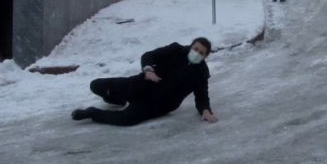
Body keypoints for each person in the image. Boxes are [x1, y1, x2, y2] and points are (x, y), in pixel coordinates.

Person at [71, 38, 218, 126]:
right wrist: (148, 70)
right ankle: (119, 99)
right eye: (195, 48)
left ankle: (92, 113)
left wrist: (205, 111)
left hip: (158, 104)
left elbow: (202, 97)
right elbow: (149, 55)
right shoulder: (176, 50)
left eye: (201, 53)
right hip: (141, 85)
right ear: (191, 46)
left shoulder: (201, 73)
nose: (196, 53)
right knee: (96, 85)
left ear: (205, 57)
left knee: (126, 120)